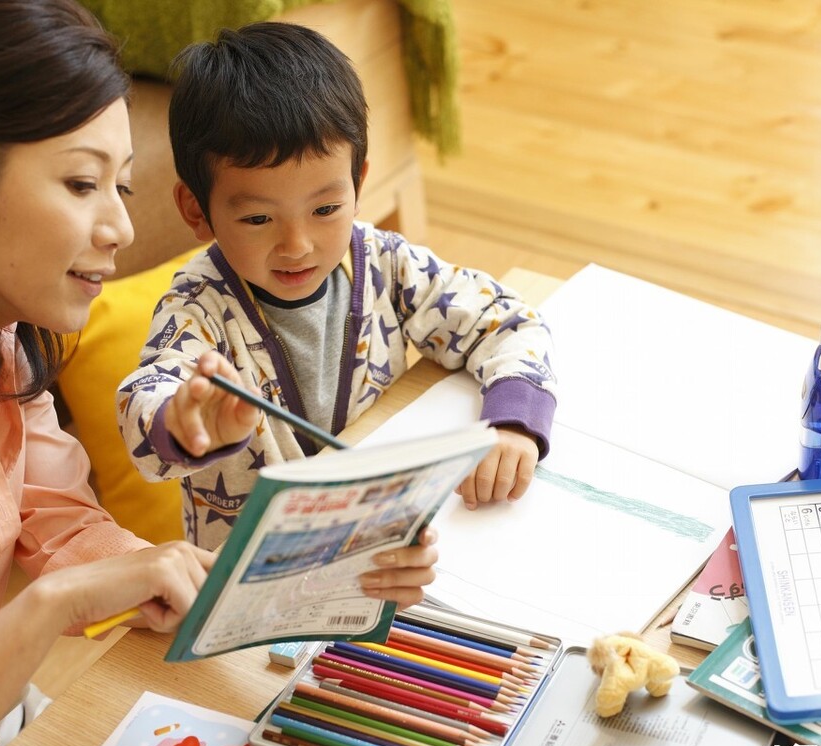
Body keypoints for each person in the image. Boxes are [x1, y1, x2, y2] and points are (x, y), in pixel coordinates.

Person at [0, 2, 436, 746]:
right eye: (80, 183)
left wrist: (266, 584)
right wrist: (47, 609)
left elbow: (54, 515)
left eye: (122, 187)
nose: (119, 230)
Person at [116, 22, 558, 551]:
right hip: (253, 581)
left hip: (381, 550)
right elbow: (145, 404)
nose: (298, 244)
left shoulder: (385, 264)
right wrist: (185, 420)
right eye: (258, 219)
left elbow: (508, 321)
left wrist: (512, 425)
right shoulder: (196, 309)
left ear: (358, 183)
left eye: (326, 209)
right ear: (197, 210)